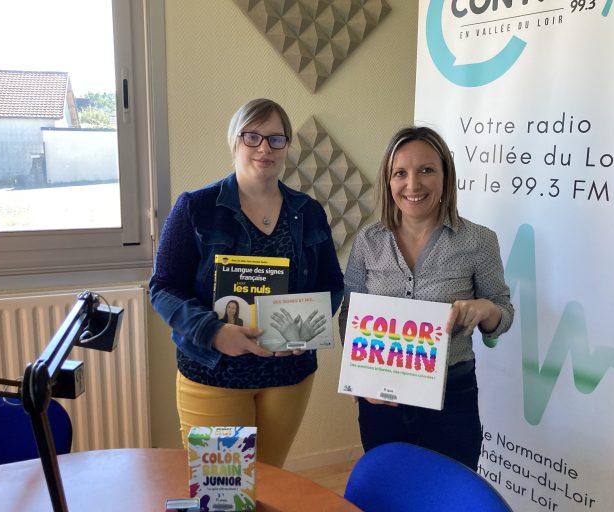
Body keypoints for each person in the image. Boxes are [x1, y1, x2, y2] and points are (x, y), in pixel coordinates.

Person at [149, 98, 344, 467]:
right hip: (213, 372)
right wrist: (213, 331)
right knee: (222, 487)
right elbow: (163, 287)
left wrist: (306, 327)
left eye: (276, 139)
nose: (264, 148)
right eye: (252, 137)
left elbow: (332, 284)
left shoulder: (308, 212)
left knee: (269, 479)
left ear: (287, 146)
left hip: (288, 376)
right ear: (234, 141)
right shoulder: (196, 207)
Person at [338, 126, 513, 470]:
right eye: (400, 173)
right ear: (388, 181)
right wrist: (360, 379)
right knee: (387, 489)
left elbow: (503, 313)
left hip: (452, 398)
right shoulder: (368, 241)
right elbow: (349, 315)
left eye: (426, 170)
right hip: (381, 401)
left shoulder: (479, 241)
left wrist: (486, 309)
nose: (413, 184)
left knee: (449, 490)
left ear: (446, 177)